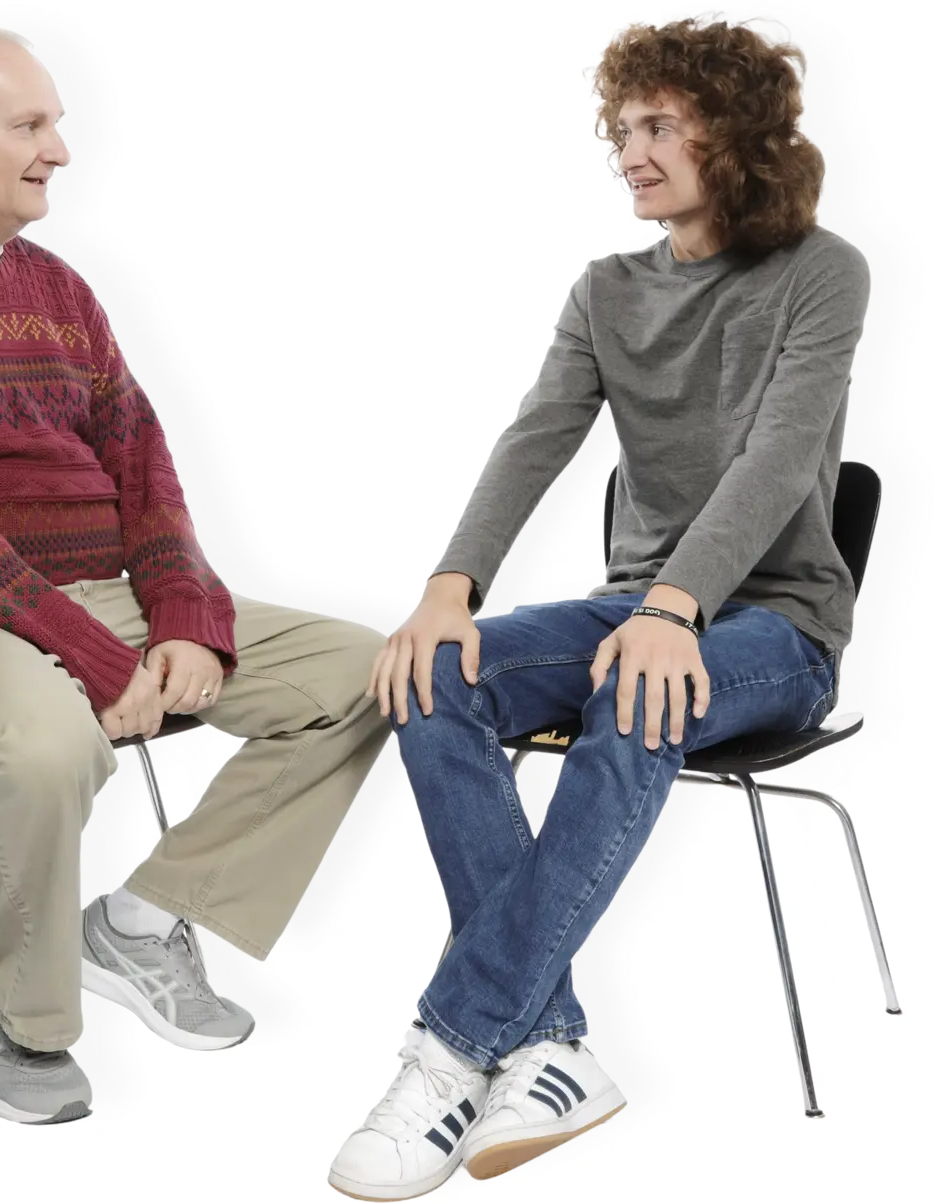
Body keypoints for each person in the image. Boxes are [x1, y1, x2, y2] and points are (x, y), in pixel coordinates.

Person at [0, 24, 391, 1126]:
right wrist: (87, 651)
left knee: (377, 671)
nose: (60, 146)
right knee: (45, 733)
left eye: (56, 121)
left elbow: (143, 464)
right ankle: (22, 1014)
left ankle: (140, 925)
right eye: (29, 124)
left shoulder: (59, 289)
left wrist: (183, 614)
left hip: (88, 601)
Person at [328, 14, 868, 1200]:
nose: (630, 150)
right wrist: (445, 595)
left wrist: (675, 608)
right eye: (620, 129)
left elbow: (778, 462)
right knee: (433, 676)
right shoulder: (605, 289)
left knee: (641, 680)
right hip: (635, 608)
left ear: (732, 136)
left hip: (774, 629)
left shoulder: (819, 274)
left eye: (659, 125)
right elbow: (531, 444)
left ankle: (455, 1044)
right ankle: (551, 1046)